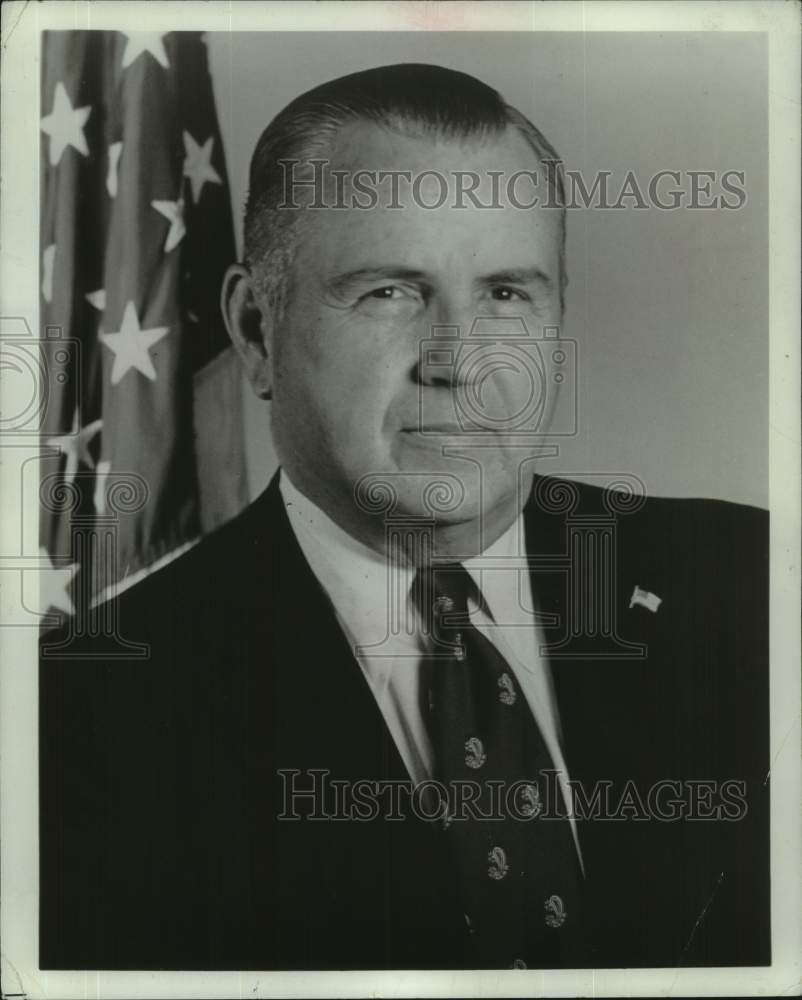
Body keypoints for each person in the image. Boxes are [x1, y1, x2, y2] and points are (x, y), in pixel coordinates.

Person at [39, 63, 769, 971]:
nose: (459, 363)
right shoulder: (76, 720)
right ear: (256, 331)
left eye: (507, 293)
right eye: (390, 291)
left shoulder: (754, 583)